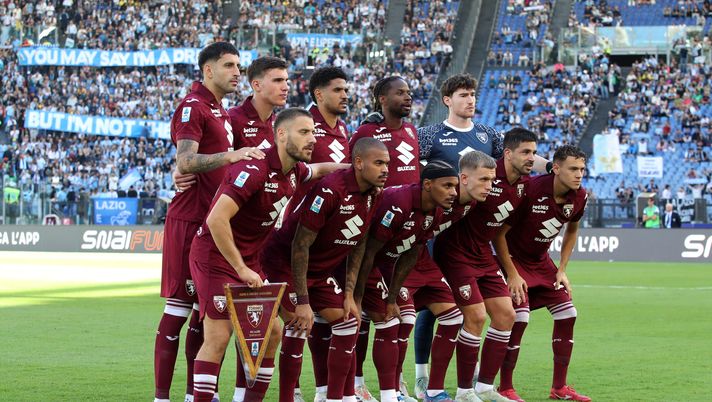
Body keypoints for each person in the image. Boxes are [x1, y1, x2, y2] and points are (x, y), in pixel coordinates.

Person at [188, 108, 348, 402]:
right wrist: (241, 268)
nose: (312, 139)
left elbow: (321, 169)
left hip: (248, 261)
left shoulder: (295, 171)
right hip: (216, 257)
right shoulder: (254, 169)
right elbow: (215, 220)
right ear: (281, 134)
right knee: (219, 337)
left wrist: (355, 170)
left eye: (314, 132)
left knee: (272, 333)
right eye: (304, 132)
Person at [414, 75, 550, 398]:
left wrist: (553, 167)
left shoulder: (488, 134)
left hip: (474, 236)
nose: (471, 100)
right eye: (463, 95)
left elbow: (520, 156)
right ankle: (422, 376)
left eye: (473, 94)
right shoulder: (431, 135)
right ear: (447, 99)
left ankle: (474, 379)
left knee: (479, 313)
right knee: (432, 309)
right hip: (440, 232)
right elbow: (412, 169)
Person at [154, 42, 266, 402]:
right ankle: (161, 397)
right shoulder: (192, 107)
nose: (237, 72)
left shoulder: (221, 111)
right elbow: (185, 162)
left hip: (214, 223)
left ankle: (193, 394)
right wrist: (230, 155)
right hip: (189, 220)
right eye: (230, 65)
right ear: (208, 70)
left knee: (205, 316)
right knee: (178, 311)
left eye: (239, 64)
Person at [261, 137, 389, 402]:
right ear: (358, 163)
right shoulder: (331, 190)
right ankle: (288, 397)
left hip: (319, 272)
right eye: (378, 163)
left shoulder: (373, 195)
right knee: (298, 325)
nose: (385, 169)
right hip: (284, 265)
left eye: (387, 163)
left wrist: (350, 295)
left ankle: (334, 398)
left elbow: (358, 245)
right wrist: (303, 300)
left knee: (348, 322)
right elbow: (300, 245)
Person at [431, 129, 539, 402]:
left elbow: (501, 230)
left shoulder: (524, 185)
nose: (531, 158)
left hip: (483, 254)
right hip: (456, 253)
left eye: (534, 153)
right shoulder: (482, 177)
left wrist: (512, 272)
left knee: (506, 315)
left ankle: (484, 388)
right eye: (526, 152)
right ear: (507, 154)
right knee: (476, 317)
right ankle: (463, 391)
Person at [353, 162, 459, 402]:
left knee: (401, 317)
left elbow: (412, 251)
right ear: (428, 185)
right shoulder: (398, 203)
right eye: (448, 186)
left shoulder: (438, 210)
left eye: (455, 186)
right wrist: (356, 297)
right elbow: (368, 252)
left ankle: (395, 390)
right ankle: (356, 385)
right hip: (360, 261)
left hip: (388, 265)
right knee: (362, 321)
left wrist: (391, 298)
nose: (454, 192)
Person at [493, 145, 591, 402]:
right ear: (556, 168)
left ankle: (559, 388)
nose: (579, 174)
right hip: (512, 260)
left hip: (541, 262)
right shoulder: (531, 190)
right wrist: (512, 274)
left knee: (569, 313)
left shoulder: (580, 196)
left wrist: (562, 270)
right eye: (573, 169)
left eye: (582, 169)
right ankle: (505, 387)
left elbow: (572, 230)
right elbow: (498, 234)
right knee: (520, 318)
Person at [349, 76, 420, 401]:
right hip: (370, 234)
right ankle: (357, 381)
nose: (407, 97)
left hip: (402, 237)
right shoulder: (366, 133)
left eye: (408, 92)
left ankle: (396, 380)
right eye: (399, 93)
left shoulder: (411, 131)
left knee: (401, 314)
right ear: (380, 98)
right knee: (364, 315)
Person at [299, 66, 353, 402]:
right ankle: (291, 389)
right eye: (338, 90)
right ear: (319, 94)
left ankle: (326, 392)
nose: (345, 95)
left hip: (334, 239)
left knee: (331, 317)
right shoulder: (303, 127)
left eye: (346, 89)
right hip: (300, 237)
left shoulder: (344, 129)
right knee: (294, 320)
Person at [229, 56, 290, 150]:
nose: (286, 87)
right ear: (257, 85)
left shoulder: (280, 124)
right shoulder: (232, 119)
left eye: (286, 81)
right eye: (278, 80)